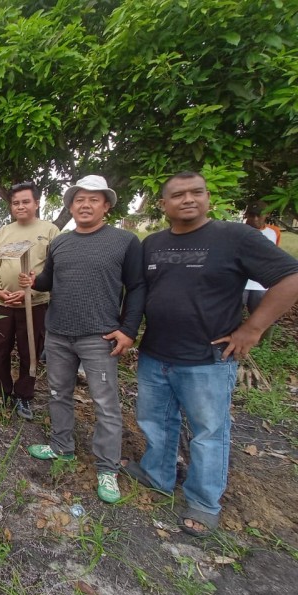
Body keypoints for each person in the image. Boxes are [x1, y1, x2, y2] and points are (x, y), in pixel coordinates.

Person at [126, 171, 298, 535]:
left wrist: (253, 328)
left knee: (208, 431)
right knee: (155, 420)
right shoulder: (153, 243)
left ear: (207, 198)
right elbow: (142, 290)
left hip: (208, 358)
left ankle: (204, 502)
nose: (188, 199)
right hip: (156, 351)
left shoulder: (234, 237)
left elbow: (290, 278)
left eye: (196, 192)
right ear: (163, 205)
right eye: (178, 195)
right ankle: (157, 473)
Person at [24, 175, 145, 504]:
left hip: (99, 335)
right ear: (70, 205)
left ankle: (107, 468)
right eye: (79, 199)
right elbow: (50, 279)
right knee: (57, 393)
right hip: (59, 332)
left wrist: (129, 329)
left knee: (105, 404)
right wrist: (34, 280)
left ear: (106, 205)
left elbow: (136, 288)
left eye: (94, 199)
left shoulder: (124, 241)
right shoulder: (60, 242)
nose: (86, 204)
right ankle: (61, 446)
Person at [0, 181, 59, 419]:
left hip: (33, 305)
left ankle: (24, 397)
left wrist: (33, 292)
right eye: (15, 203)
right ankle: (1, 393)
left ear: (36, 203)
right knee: (0, 350)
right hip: (3, 304)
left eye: (26, 201)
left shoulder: (50, 231)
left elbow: (55, 269)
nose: (20, 206)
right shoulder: (4, 232)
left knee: (30, 352)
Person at [242, 202, 280, 322]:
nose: (255, 219)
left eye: (259, 215)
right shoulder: (236, 230)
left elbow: (275, 257)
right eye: (252, 215)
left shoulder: (274, 232)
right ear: (246, 215)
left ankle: (261, 340)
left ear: (267, 214)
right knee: (232, 315)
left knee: (260, 316)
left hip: (260, 284)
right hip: (239, 283)